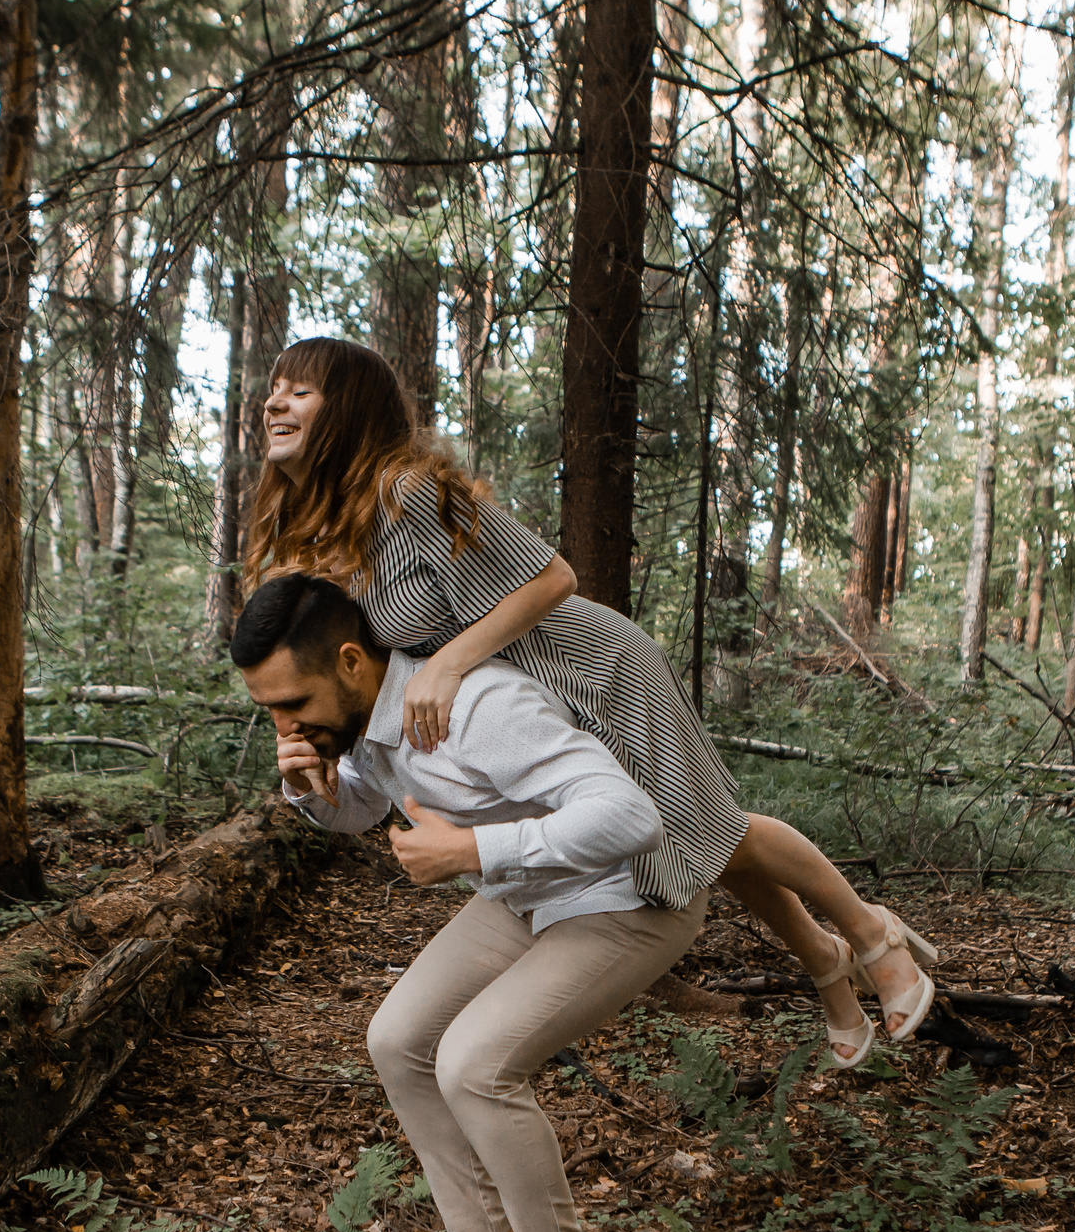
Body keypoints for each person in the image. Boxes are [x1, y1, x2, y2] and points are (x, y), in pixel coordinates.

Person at [243, 336, 940, 1069]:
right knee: (706, 840)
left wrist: (449, 664)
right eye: (275, 387)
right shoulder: (323, 532)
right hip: (516, 698)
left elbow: (551, 580)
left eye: (300, 390)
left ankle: (868, 938)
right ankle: (830, 963)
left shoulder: (409, 493)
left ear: (348, 408)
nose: (274, 401)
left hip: (591, 670)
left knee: (715, 834)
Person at [232, 572, 690, 1232]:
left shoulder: (477, 707)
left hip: (627, 898)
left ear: (349, 661)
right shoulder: (367, 724)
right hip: (528, 896)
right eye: (268, 708)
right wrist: (314, 792)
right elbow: (363, 810)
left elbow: (630, 816)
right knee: (397, 1038)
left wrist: (472, 854)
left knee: (474, 1064)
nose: (283, 724)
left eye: (290, 701)